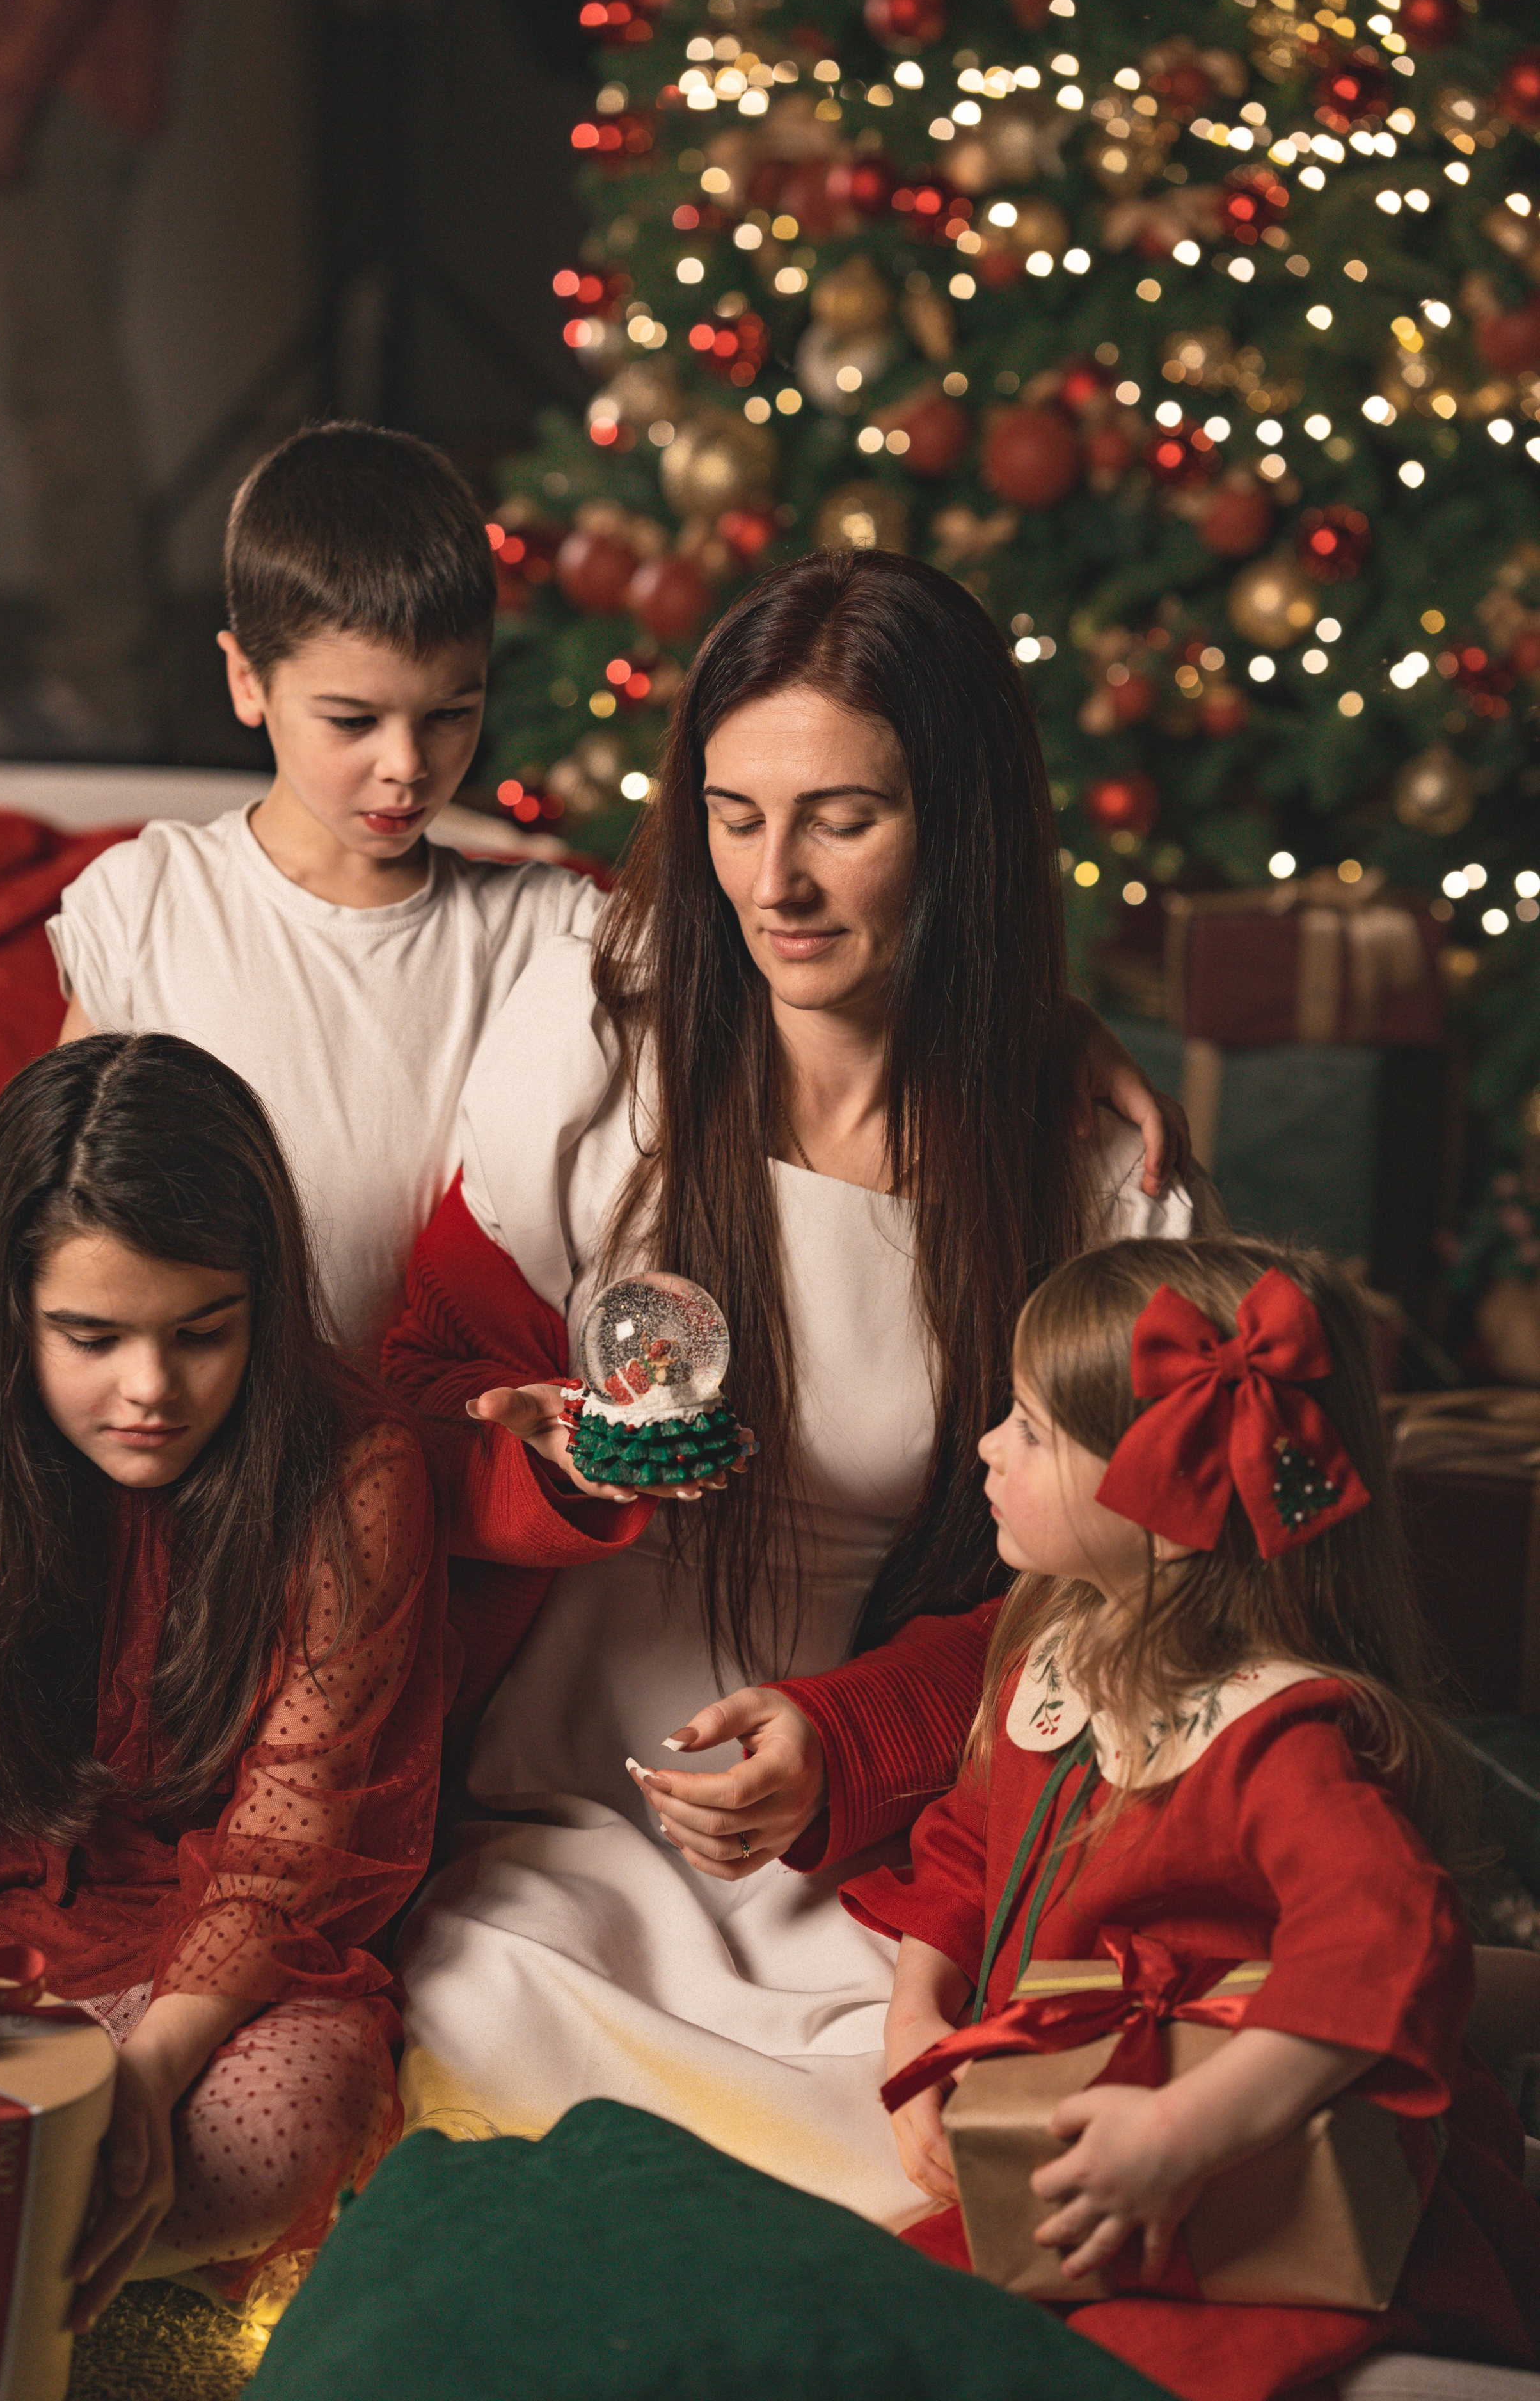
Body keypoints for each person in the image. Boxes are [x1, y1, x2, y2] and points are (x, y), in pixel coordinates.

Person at [385, 546, 1213, 2226]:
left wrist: (849, 1743)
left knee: (956, 2144)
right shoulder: (599, 1048)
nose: (777, 882)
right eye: (733, 811)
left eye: (844, 816)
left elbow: (1127, 1598)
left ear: (960, 826)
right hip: (549, 1797)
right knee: (486, 2024)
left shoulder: (1086, 1173)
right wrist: (545, 1470)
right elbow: (405, 1409)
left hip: (881, 1831)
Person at [850, 1235, 1540, 2399]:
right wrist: (917, 2013)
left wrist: (1189, 2137)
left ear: (1165, 1493)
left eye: (1028, 1428)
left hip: (1257, 2157)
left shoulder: (1275, 1736)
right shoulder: (1054, 1647)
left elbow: (1386, 1943)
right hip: (1089, 2106)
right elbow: (977, 1846)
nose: (985, 1446)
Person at [0, 1033, 444, 2329]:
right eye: (89, 1337)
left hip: (214, 1973)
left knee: (267, 2147)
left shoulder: (355, 1475)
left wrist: (140, 2088)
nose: (149, 1392)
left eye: (202, 1335)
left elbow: (288, 1845)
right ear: (9, 1314)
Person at [46, 419, 606, 1362]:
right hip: (206, 1438)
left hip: (438, 1434)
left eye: (450, 716)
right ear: (246, 680)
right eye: (353, 719)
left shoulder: (546, 930)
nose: (406, 766)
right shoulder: (149, 903)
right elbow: (63, 1201)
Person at [0, 0, 183, 756]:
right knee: (59, 384)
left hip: (61, 85)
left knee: (63, 389)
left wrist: (6, 82)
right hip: (53, 78)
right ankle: (103, 677)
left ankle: (102, 686)